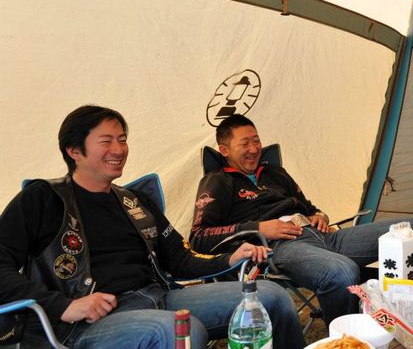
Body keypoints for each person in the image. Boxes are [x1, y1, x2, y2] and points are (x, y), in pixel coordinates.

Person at [0, 106, 305, 349]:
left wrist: (229, 259)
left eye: (122, 139)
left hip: (156, 297)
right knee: (180, 330)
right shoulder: (43, 199)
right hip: (84, 324)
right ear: (74, 151)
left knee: (270, 297)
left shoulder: (134, 200)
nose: (119, 149)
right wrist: (64, 306)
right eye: (106, 141)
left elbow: (179, 258)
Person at [190, 114, 413, 324]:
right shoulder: (218, 181)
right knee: (342, 272)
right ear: (225, 151)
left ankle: (412, 317)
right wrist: (259, 228)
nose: (254, 149)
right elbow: (199, 237)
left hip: (325, 237)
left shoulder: (275, 173)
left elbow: (309, 207)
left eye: (256, 141)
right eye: (245, 144)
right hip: (281, 247)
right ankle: (345, 340)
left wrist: (319, 216)